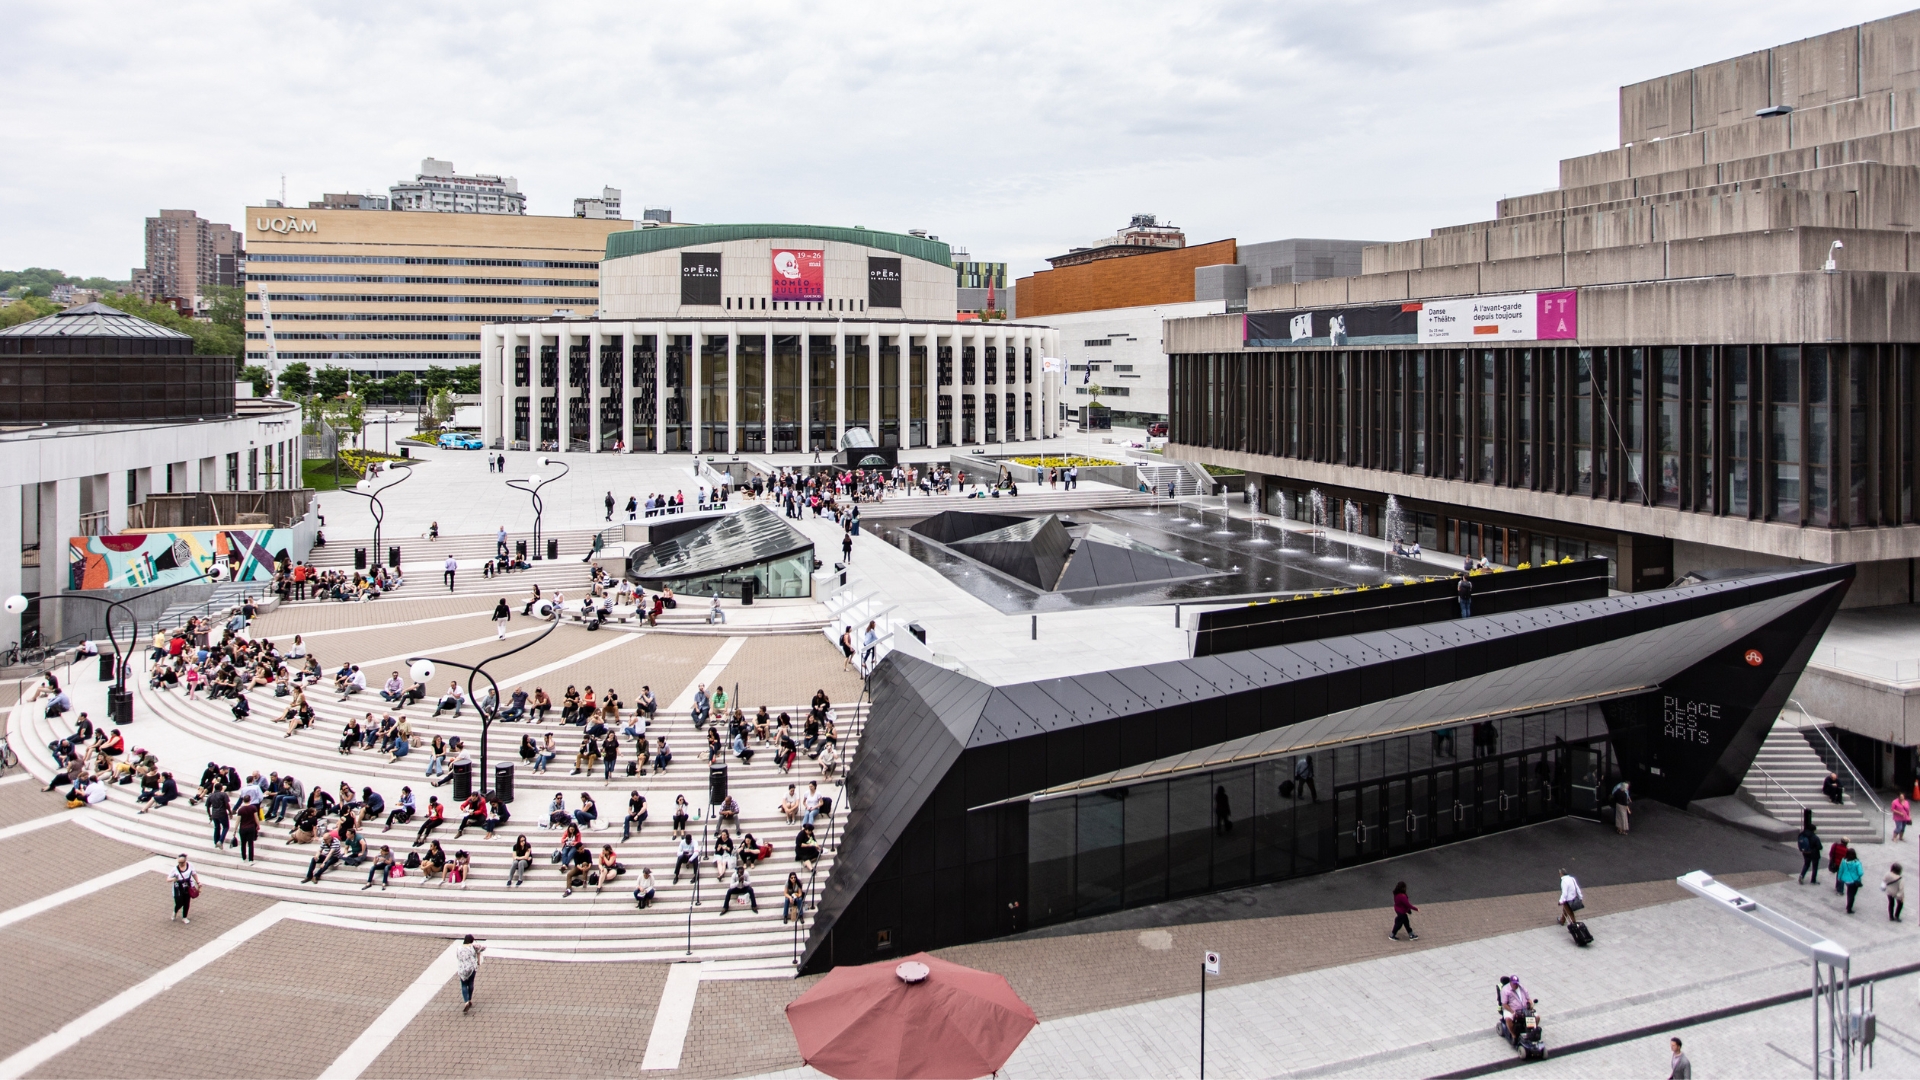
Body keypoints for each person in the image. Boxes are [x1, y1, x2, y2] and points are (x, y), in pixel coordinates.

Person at [454, 934, 483, 1013]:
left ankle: (466, 1001)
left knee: (463, 984)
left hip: (462, 969)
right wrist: (478, 962)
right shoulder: (473, 947)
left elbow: (458, 957)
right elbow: (480, 950)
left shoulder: (459, 948)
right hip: (471, 968)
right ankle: (469, 999)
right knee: (470, 983)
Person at [169, 853, 198, 923]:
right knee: (179, 902)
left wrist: (198, 882)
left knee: (186, 902)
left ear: (185, 861)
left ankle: (184, 917)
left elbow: (194, 874)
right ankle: (175, 911)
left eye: (182, 862)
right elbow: (168, 879)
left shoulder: (190, 866)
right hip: (178, 888)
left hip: (187, 887)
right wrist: (174, 879)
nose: (180, 864)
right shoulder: (175, 869)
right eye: (179, 862)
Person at [1797, 813, 1822, 885]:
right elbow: (1819, 847)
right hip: (1814, 854)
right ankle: (1813, 880)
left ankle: (1802, 875)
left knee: (1806, 864)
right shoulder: (1815, 837)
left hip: (1805, 852)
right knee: (1815, 867)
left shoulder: (1802, 834)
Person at [1839, 846, 1865, 913]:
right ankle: (1849, 908)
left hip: (1846, 880)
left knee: (1849, 892)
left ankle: (1848, 905)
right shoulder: (1857, 862)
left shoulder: (1844, 861)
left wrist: (1839, 877)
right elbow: (1860, 873)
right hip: (1854, 881)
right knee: (1852, 894)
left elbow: (1841, 870)